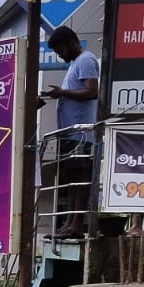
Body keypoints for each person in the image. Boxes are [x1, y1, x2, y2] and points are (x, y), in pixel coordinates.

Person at [41, 25, 100, 236]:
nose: (59, 55)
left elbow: (92, 91)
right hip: (70, 132)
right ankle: (69, 222)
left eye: (60, 50)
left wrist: (63, 92)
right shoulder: (76, 63)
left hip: (80, 133)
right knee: (71, 178)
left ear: (71, 43)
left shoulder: (86, 60)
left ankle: (76, 223)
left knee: (80, 176)